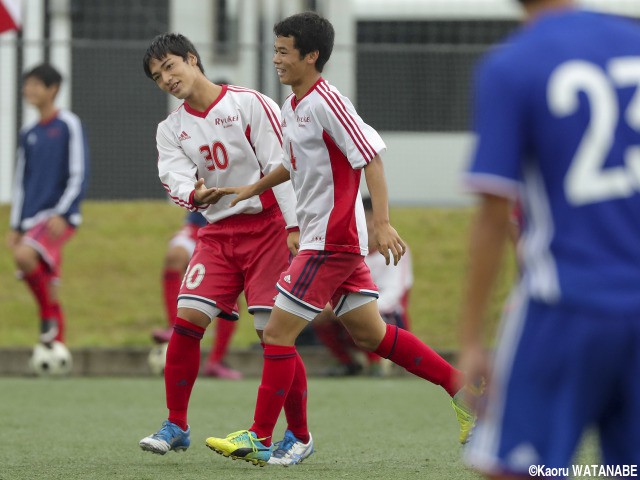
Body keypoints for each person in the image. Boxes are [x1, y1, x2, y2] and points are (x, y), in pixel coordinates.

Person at [204, 12, 478, 467]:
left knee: (275, 333)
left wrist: (382, 223)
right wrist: (253, 187)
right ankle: (465, 391)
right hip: (324, 240)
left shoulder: (328, 102)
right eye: (274, 50)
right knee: (373, 335)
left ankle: (264, 436)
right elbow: (297, 165)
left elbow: (371, 157)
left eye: (283, 51)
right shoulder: (293, 106)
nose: (276, 59)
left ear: (311, 56)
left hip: (330, 241)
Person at [458, 0, 640, 477]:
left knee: (517, 467)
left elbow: (494, 214)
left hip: (565, 303)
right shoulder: (633, 41)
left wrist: (472, 338)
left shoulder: (512, 63)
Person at [138, 33, 311, 464]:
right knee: (186, 321)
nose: (167, 79)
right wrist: (193, 196)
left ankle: (300, 434)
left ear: (192, 59)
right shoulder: (170, 129)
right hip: (216, 235)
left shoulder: (248, 103)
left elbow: (281, 164)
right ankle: (176, 424)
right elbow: (174, 176)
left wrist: (293, 224)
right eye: (158, 76)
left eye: (171, 66)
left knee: (274, 335)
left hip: (268, 228)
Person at [7, 63, 89, 347]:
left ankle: (46, 315)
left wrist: (64, 213)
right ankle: (56, 344)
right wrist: (16, 225)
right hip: (31, 220)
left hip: (57, 217)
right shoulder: (28, 133)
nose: (28, 90)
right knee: (49, 282)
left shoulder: (68, 124)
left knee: (23, 257)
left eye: (35, 84)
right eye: (26, 84)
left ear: (52, 89)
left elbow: (78, 172)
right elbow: (21, 181)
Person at [313, 196, 414, 377]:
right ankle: (347, 362)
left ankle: (377, 363)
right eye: (363, 219)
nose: (368, 226)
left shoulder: (397, 249)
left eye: (372, 220)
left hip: (390, 316)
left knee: (354, 314)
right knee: (318, 313)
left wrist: (355, 307)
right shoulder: (346, 249)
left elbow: (393, 296)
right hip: (350, 309)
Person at [152, 210, 243, 380]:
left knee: (231, 295)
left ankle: (215, 361)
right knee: (174, 257)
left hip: (232, 229)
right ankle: (173, 326)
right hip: (198, 226)